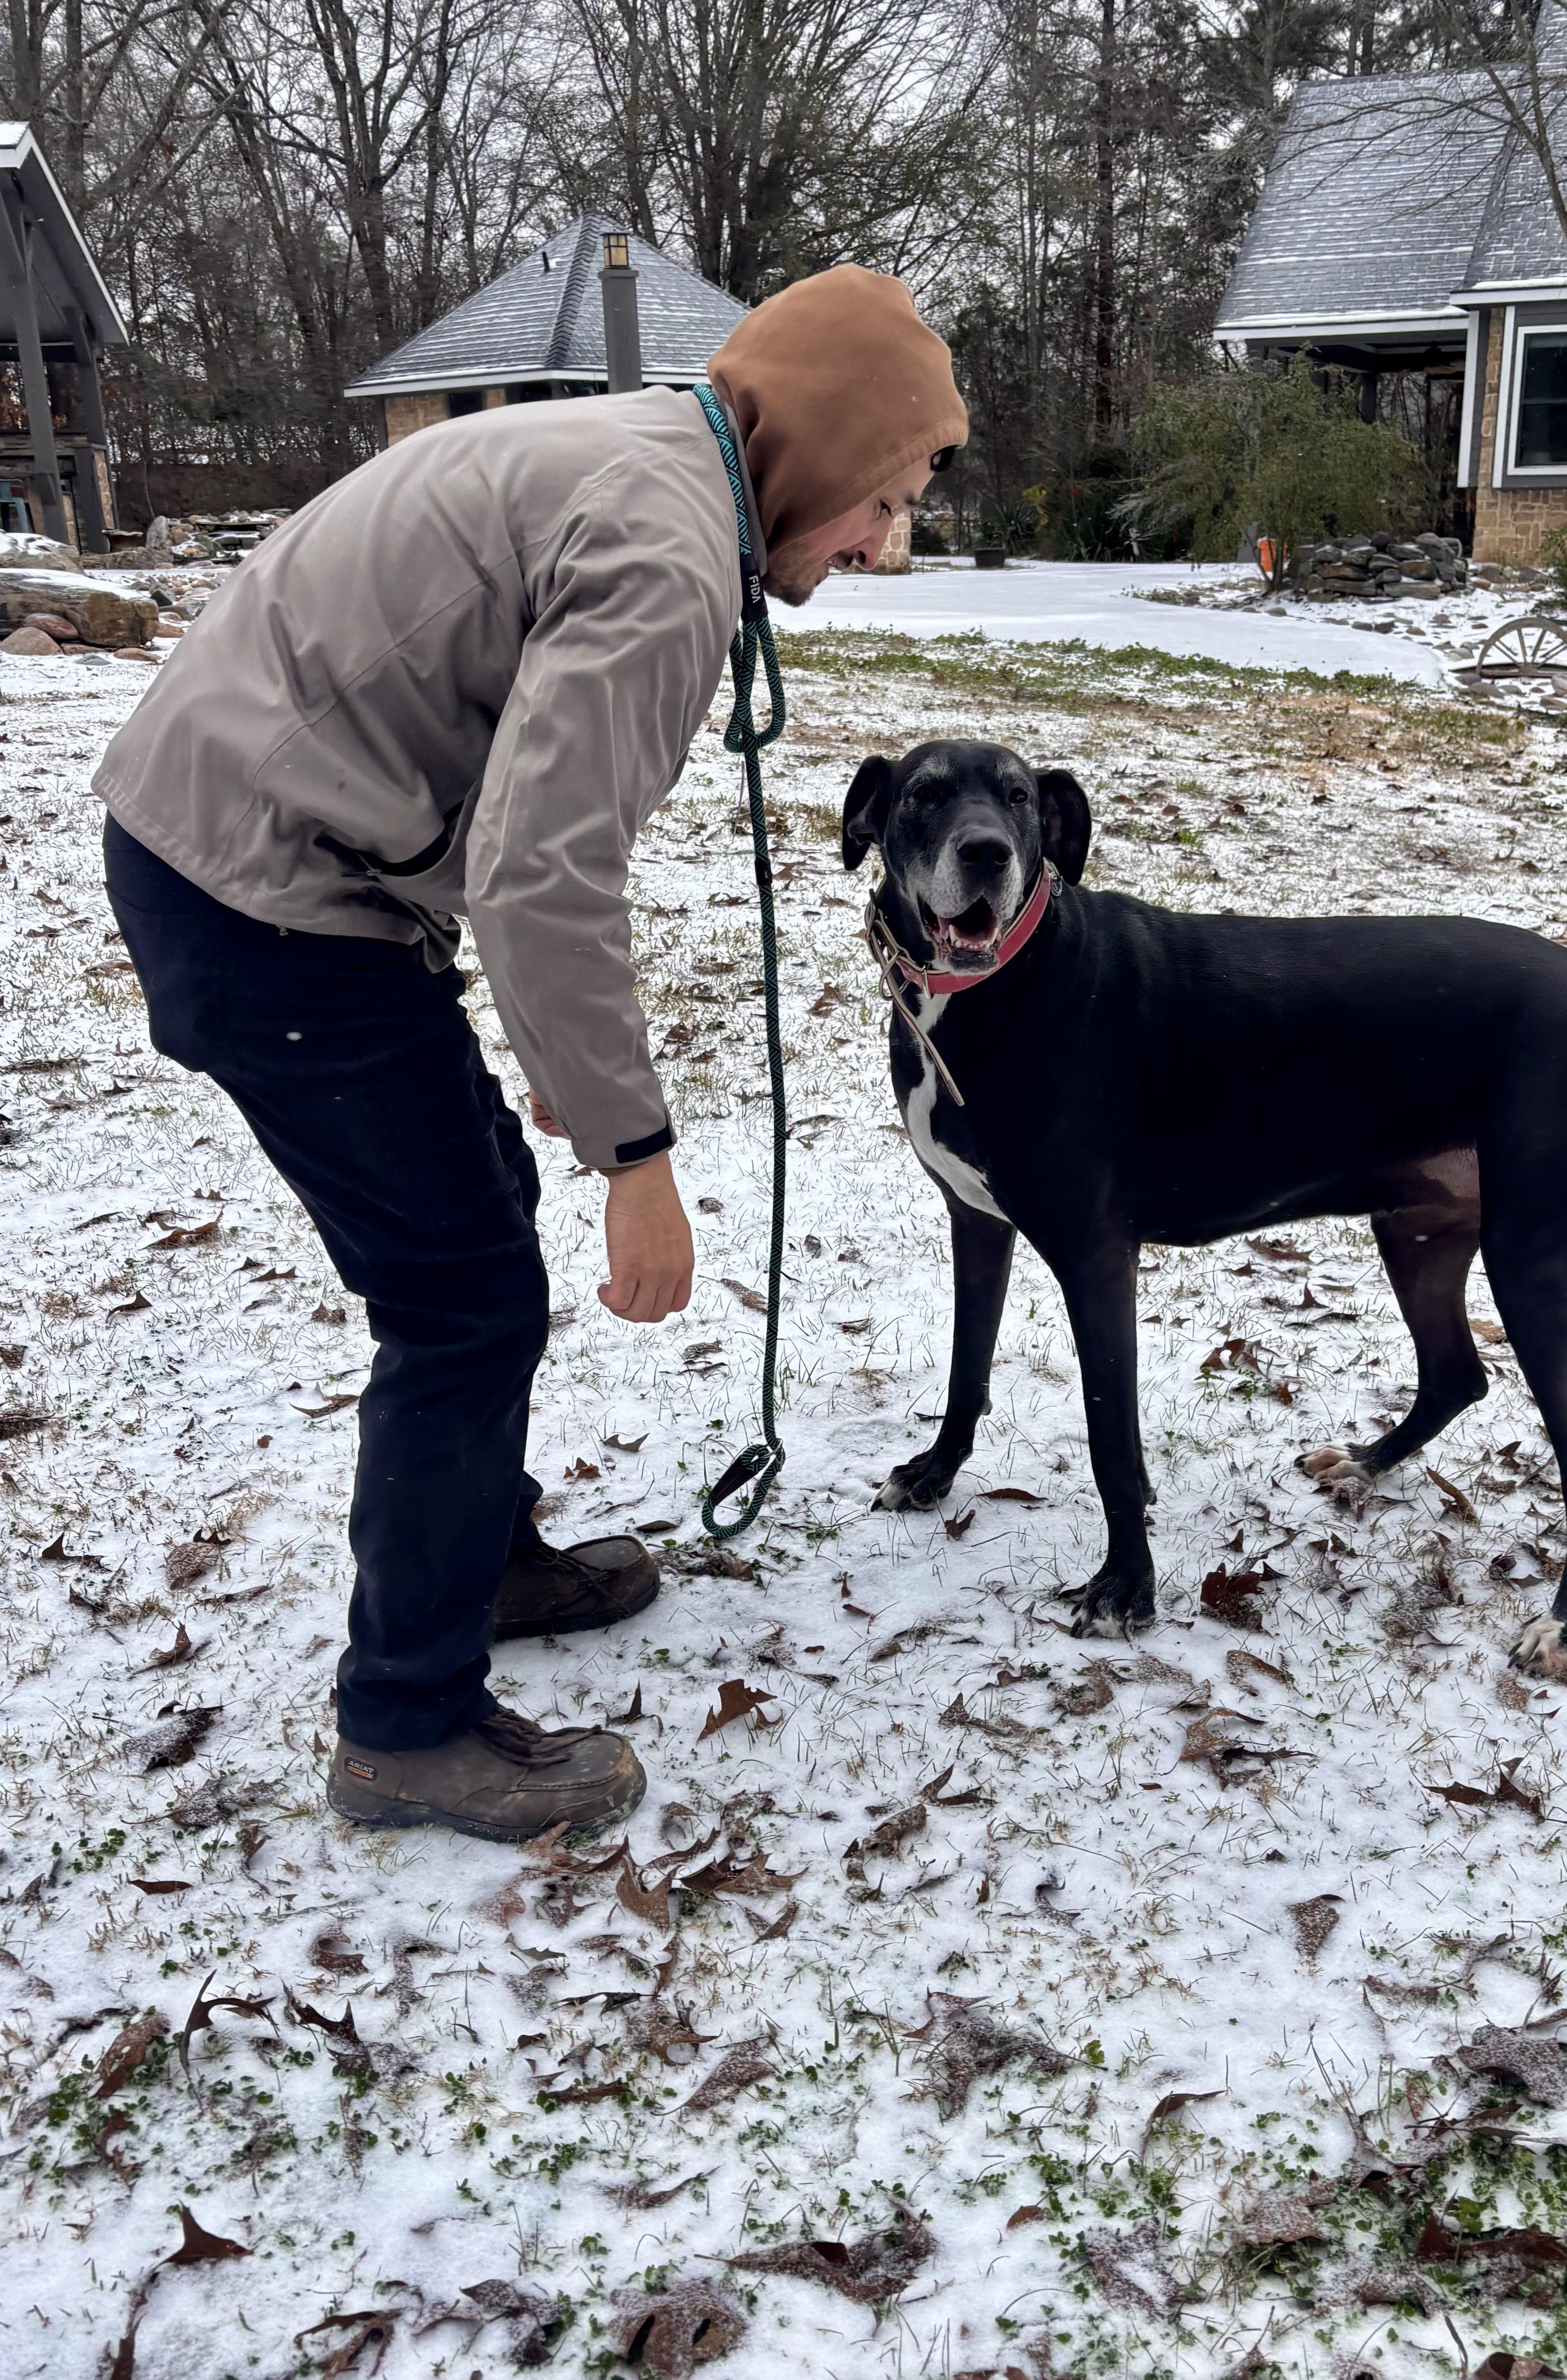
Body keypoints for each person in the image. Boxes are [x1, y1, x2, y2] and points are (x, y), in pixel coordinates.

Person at [93, 265, 968, 1845]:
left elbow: (510, 833)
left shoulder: (654, 460)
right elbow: (542, 868)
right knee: (465, 1301)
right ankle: (406, 1728)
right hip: (262, 890)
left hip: (257, 855)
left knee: (479, 1200)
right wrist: (638, 1163)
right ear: (824, 447)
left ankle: (479, 1560)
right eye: (884, 500)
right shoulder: (667, 550)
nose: (878, 545)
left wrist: (567, 1071)